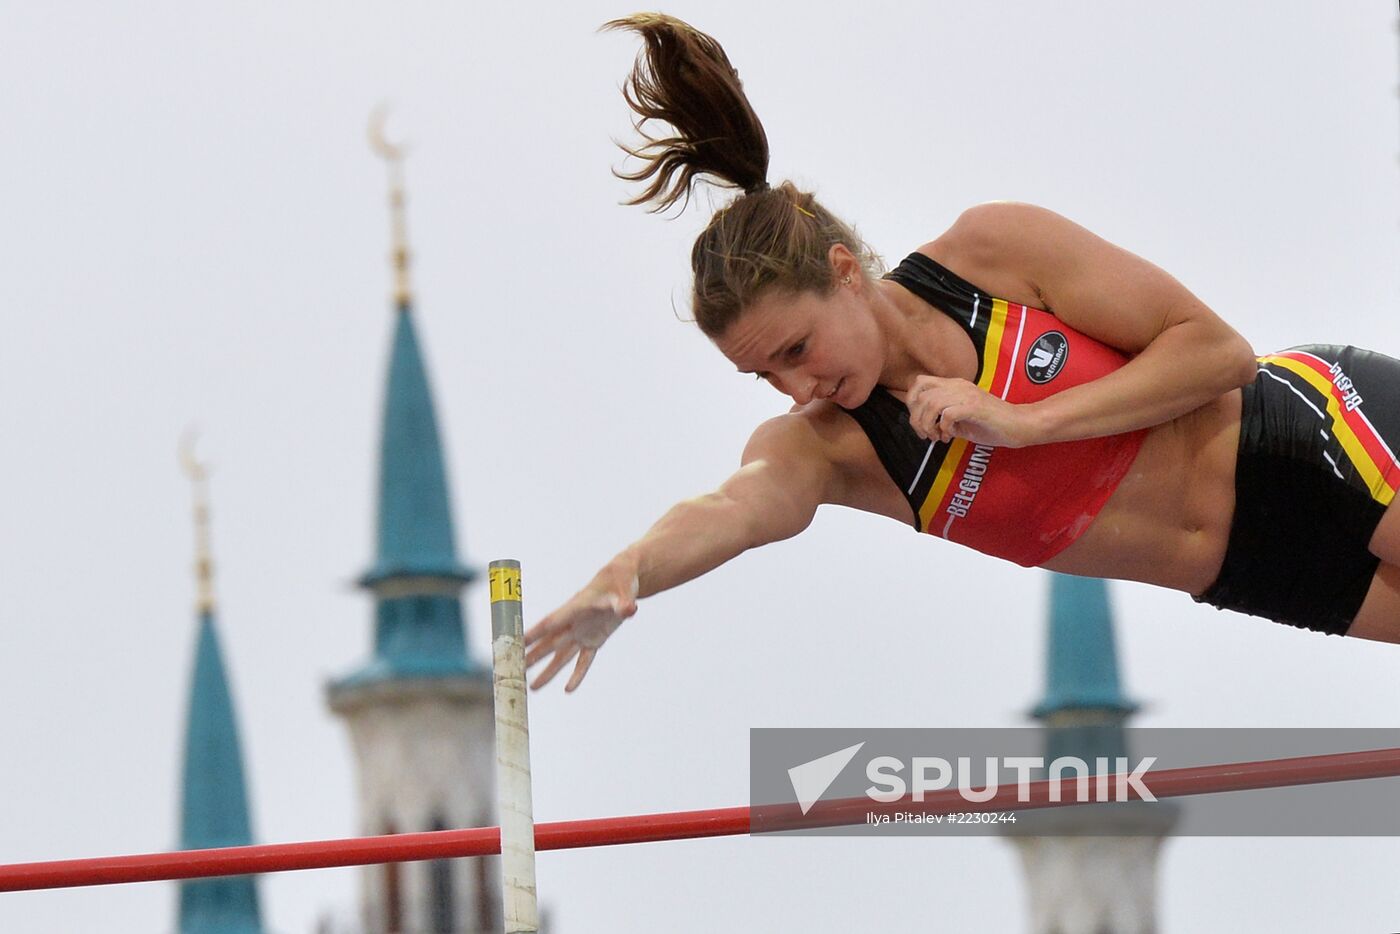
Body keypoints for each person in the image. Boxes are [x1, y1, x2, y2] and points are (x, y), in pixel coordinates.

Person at [525, 13, 1400, 692]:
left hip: (1316, 436)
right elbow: (736, 507)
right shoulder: (831, 449)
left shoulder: (991, 254)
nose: (796, 388)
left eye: (796, 347)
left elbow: (1219, 354)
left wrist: (1024, 422)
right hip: (1258, 571)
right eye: (765, 374)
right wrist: (626, 569)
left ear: (844, 273)